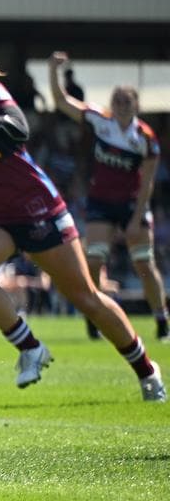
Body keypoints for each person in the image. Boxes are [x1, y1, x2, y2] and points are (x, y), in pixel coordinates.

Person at [0, 27, 164, 401]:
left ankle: (146, 369)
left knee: (86, 297)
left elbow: (19, 131)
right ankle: (30, 347)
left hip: (34, 207)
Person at [47, 52, 167, 341]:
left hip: (131, 205)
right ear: (112, 104)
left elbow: (148, 182)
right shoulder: (101, 121)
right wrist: (53, 71)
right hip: (101, 202)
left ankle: (162, 320)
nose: (122, 106)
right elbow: (62, 102)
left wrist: (137, 218)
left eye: (128, 102)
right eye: (118, 101)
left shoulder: (145, 139)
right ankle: (95, 317)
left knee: (143, 265)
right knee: (94, 262)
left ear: (137, 105)